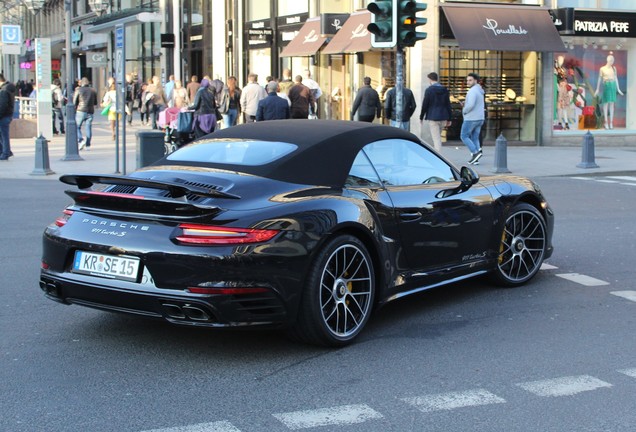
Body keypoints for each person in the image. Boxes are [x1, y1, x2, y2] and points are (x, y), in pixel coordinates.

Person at [419, 72, 452, 152]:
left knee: (436, 139)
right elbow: (448, 104)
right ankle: (438, 153)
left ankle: (438, 156)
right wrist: (449, 118)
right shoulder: (444, 89)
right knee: (438, 138)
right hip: (444, 116)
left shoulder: (429, 90)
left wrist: (421, 117)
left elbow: (425, 104)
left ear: (430, 79)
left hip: (433, 117)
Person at [460, 72, 485, 165]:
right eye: (467, 80)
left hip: (471, 118)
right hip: (479, 118)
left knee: (464, 136)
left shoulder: (472, 91)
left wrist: (464, 110)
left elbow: (471, 105)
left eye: (470, 80)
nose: (468, 82)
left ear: (475, 80)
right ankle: (476, 159)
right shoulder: (479, 90)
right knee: (475, 137)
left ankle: (475, 153)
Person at [595, 55, 623, 130]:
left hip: (613, 85)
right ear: (608, 60)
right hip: (606, 85)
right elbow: (599, 78)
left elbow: (616, 78)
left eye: (613, 61)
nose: (612, 62)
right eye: (611, 61)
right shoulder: (602, 69)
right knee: (606, 103)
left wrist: (618, 88)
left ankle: (611, 123)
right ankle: (606, 122)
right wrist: (597, 89)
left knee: (612, 104)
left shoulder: (614, 68)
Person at [74, 77, 97, 150]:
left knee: (76, 126)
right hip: (90, 111)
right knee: (88, 128)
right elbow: (95, 102)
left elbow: (74, 102)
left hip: (81, 110)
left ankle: (81, 140)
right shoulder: (93, 90)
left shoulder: (79, 90)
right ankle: (88, 145)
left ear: (81, 83)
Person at [0, 74, 16, 160]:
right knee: (3, 135)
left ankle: (5, 153)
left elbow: (3, 105)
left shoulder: (4, 90)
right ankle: (5, 151)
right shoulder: (8, 88)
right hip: (7, 115)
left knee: (4, 136)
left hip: (3, 116)